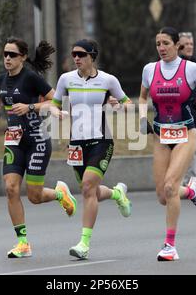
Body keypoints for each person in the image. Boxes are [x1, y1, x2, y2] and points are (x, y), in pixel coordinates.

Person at [0, 37, 77, 258]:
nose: (7, 58)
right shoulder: (1, 80)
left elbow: (56, 101)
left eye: (12, 55)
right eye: (5, 54)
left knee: (34, 196)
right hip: (14, 141)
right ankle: (23, 243)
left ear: (23, 57)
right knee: (11, 189)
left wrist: (30, 107)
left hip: (36, 141)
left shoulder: (31, 78)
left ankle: (59, 193)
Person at [139, 27, 196, 261]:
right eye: (158, 44)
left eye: (165, 43)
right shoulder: (149, 69)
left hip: (185, 132)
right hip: (161, 134)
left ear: (176, 45)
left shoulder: (191, 69)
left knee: (171, 187)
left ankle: (170, 246)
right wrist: (143, 119)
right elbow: (143, 97)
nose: (161, 48)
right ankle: (191, 190)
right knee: (163, 196)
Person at [50, 39, 133, 260]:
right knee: (91, 192)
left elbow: (129, 103)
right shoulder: (65, 79)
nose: (76, 58)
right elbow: (54, 103)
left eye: (81, 54)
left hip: (101, 141)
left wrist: (120, 105)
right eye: (74, 54)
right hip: (76, 143)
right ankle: (117, 193)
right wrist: (55, 112)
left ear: (92, 56)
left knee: (88, 187)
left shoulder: (108, 80)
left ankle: (84, 243)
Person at [178, 32, 196, 186]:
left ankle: (192, 184)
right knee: (184, 152)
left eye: (191, 44)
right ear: (178, 46)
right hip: (179, 119)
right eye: (185, 44)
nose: (189, 47)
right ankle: (183, 184)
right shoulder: (174, 66)